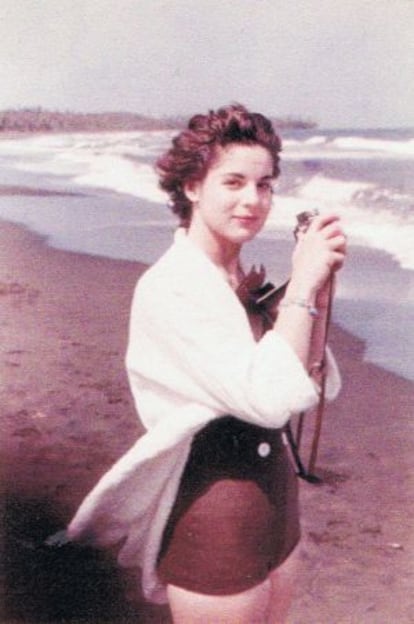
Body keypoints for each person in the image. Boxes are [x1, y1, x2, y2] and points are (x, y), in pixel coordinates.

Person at [68, 104, 347, 623]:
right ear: (193, 186)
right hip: (214, 522)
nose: (252, 200)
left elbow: (310, 382)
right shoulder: (170, 286)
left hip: (278, 511)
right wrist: (302, 285)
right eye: (234, 182)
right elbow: (269, 401)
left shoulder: (239, 279)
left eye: (264, 185)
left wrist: (319, 293)